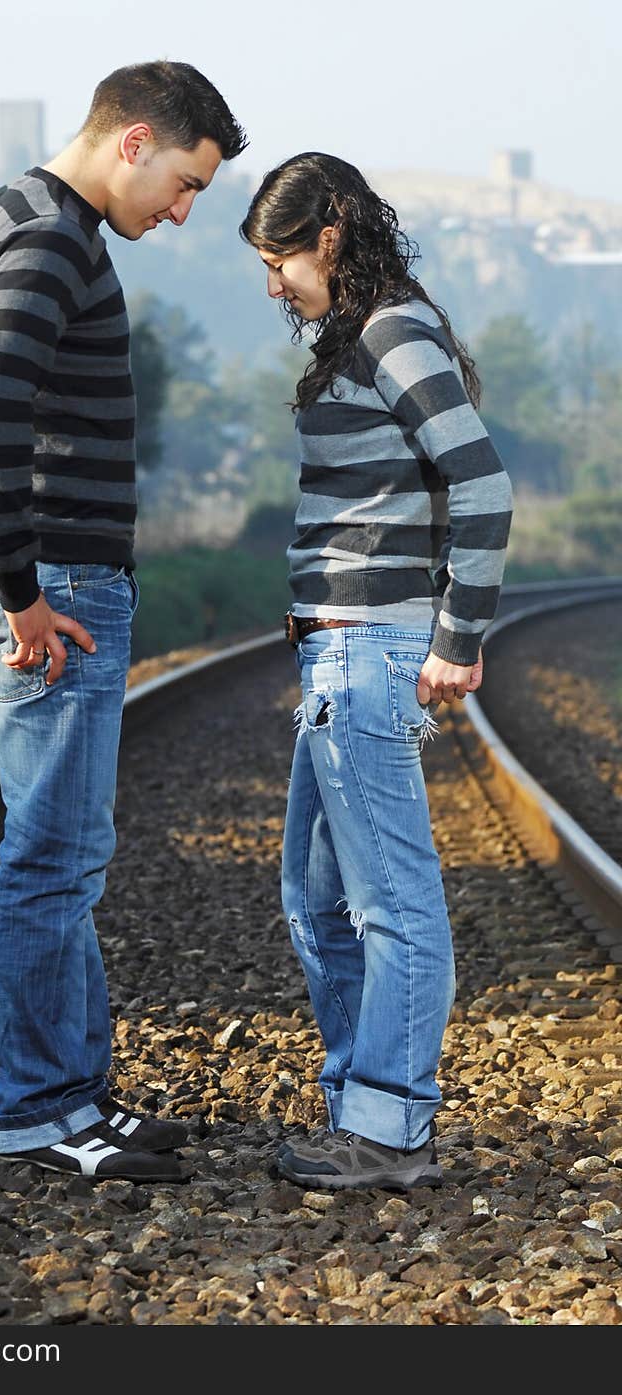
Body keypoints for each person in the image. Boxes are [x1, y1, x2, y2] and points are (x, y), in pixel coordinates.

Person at [0, 62, 247, 1181]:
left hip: (37, 569)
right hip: (53, 581)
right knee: (55, 855)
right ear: (135, 139)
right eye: (185, 182)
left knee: (64, 849)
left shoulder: (14, 217)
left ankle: (75, 1094)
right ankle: (46, 1112)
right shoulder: (53, 237)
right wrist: (14, 583)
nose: (182, 209)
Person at [240, 153, 513, 1190]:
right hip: (333, 653)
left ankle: (388, 1128)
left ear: (330, 234)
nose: (273, 287)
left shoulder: (396, 331)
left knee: (392, 901)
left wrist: (456, 637)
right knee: (314, 901)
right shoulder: (359, 337)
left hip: (369, 648)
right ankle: (363, 1099)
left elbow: (480, 487)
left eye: (279, 261)